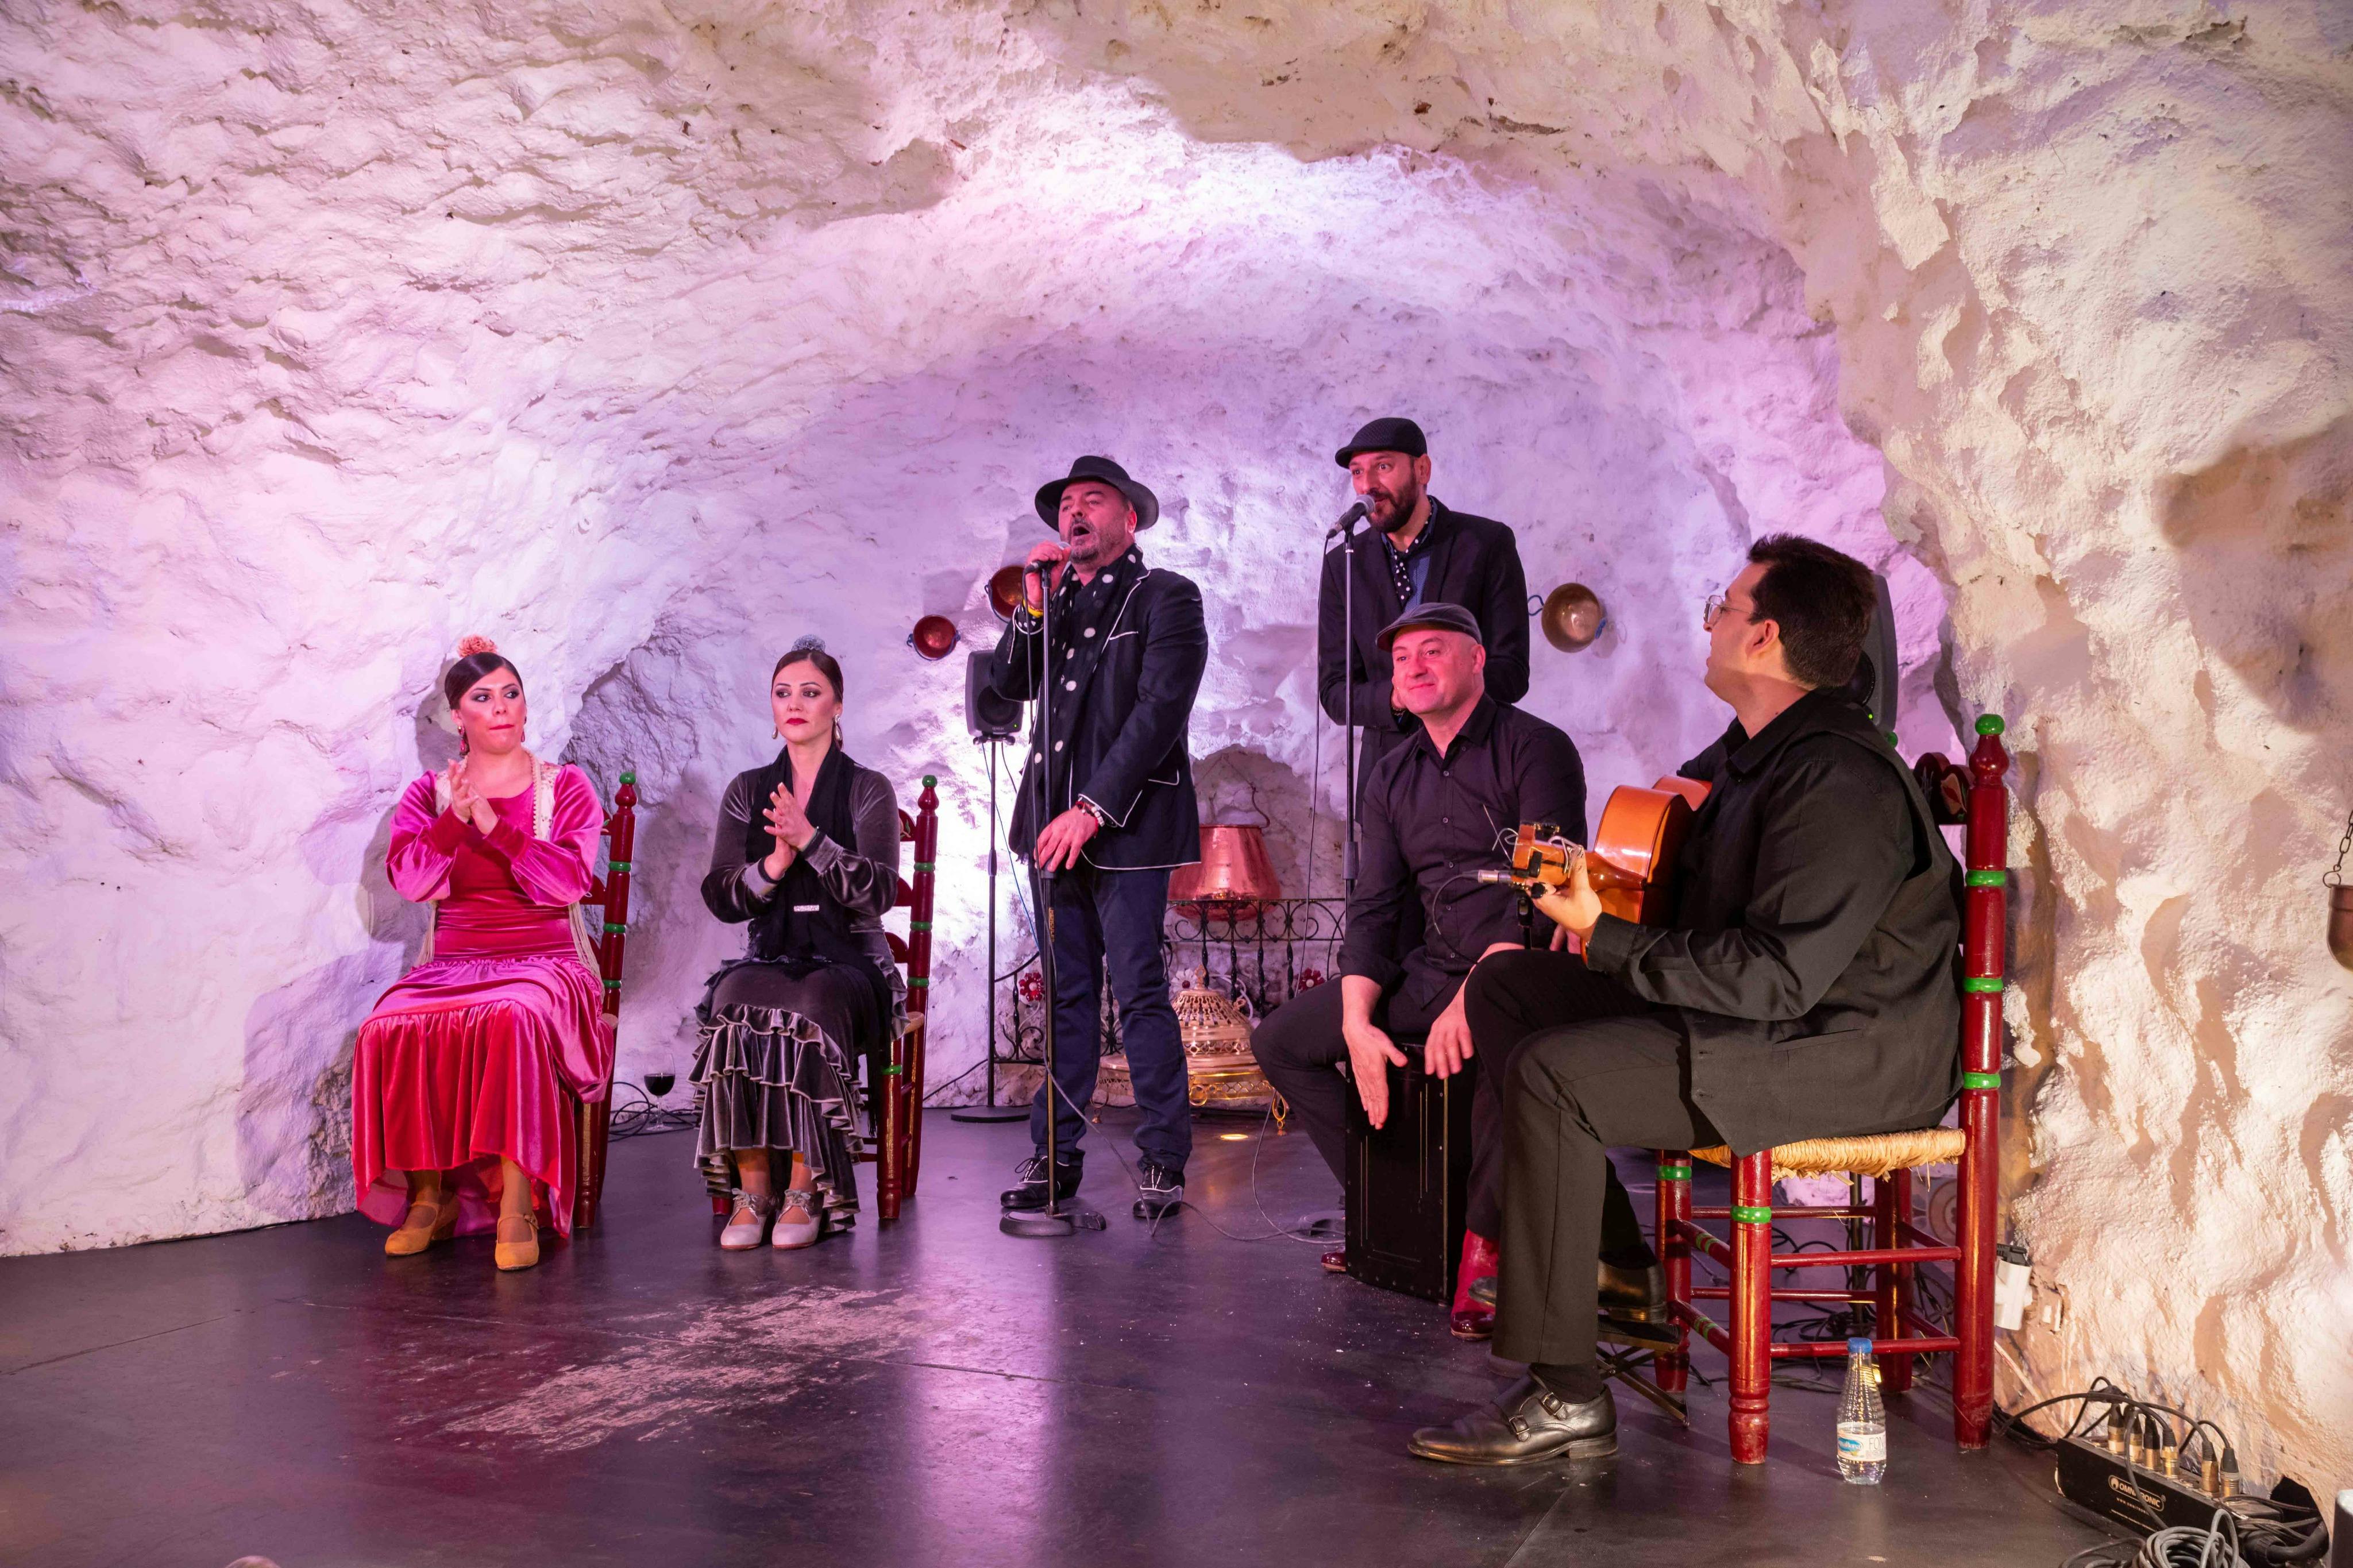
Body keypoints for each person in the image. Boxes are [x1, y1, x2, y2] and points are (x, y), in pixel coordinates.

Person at [1405, 535, 1962, 1465]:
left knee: (1556, 1077)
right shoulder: (1758, 754)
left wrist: (1610, 934)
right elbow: (1707, 902)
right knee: (1510, 988)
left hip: (1841, 1053)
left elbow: (1777, 974)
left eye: (1727, 605)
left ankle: (1565, 1391)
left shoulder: (1839, 778)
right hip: (1774, 1023)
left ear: (1765, 639)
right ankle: (1617, 1278)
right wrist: (1594, 895)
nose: (1710, 619)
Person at [1252, 603, 1595, 1338]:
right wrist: (1353, 1022)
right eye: (1402, 658)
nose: (1411, 667)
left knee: (1507, 1052)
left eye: (1431, 651)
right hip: (1433, 967)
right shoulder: (1389, 774)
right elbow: (1373, 908)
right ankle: (1392, 1212)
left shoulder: (1538, 749)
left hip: (1524, 967)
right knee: (1282, 1042)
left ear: (1476, 660)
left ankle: (1488, 1251)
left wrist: (1477, 995)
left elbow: (1547, 895)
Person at [989, 456, 1208, 1222]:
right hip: (1052, 828)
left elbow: (1158, 713)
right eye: (1066, 505)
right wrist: (1032, 607)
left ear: (1129, 518)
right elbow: (1004, 691)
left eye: (1093, 501)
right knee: (1067, 999)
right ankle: (1056, 1158)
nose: (1075, 514)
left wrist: (1092, 807)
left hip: (1129, 829)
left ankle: (1163, 1161)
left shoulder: (1165, 598)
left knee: (1140, 989)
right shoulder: (1053, 605)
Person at [351, 638, 615, 1272]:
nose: (500, 709)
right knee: (390, 1023)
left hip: (546, 960)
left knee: (512, 1015)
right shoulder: (428, 795)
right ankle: (426, 1198)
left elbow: (570, 884)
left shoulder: (565, 788)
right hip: (453, 960)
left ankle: (517, 1203)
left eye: (511, 694)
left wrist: (496, 829)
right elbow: (412, 882)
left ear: (525, 707)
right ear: (457, 718)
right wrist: (455, 821)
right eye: (482, 698)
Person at [691, 639, 904, 1250]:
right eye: (783, 693)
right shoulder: (747, 788)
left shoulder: (868, 789)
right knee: (733, 1003)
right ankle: (753, 1190)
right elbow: (721, 894)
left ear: (837, 706)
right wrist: (774, 866)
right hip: (773, 955)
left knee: (810, 1006)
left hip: (853, 963)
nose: (795, 703)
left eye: (810, 692)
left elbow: (879, 893)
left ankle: (808, 1190)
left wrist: (813, 841)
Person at [1318, 416, 1532, 791]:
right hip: (1387, 785)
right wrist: (1398, 696)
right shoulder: (1343, 564)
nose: (1368, 485)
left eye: (1383, 466)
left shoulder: (1486, 544)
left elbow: (1512, 671)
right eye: (1357, 472)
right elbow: (1335, 691)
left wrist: (1443, 693)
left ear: (1422, 469)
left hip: (1479, 774)